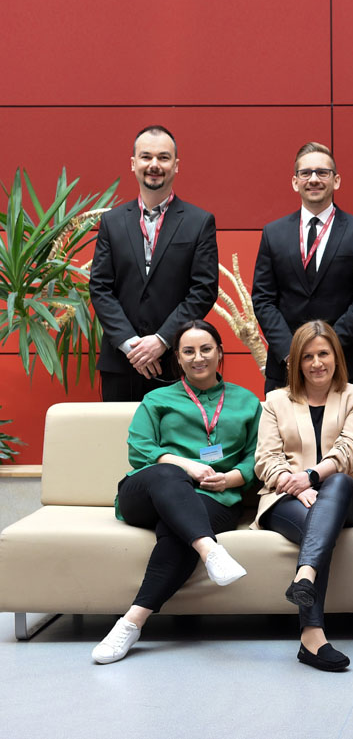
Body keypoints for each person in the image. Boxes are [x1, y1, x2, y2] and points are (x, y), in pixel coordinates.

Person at [91, 320, 261, 664]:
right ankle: (210, 549)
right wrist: (187, 466)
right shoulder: (156, 399)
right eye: (189, 351)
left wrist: (229, 480)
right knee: (170, 474)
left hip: (213, 498)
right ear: (178, 358)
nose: (198, 357)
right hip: (148, 493)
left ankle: (131, 623)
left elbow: (256, 456)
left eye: (206, 349)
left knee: (178, 531)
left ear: (220, 353)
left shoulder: (247, 401)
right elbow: (139, 448)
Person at [253, 321, 353, 671]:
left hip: (343, 495)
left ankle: (305, 574)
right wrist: (293, 483)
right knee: (314, 526)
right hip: (286, 497)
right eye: (307, 356)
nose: (317, 363)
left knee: (339, 482)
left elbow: (350, 449)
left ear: (336, 356)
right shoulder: (275, 401)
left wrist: (311, 477)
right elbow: (266, 458)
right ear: (296, 362)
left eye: (323, 354)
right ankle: (312, 635)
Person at [89, 125, 219, 402]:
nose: (154, 165)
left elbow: (203, 290)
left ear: (176, 165)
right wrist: (131, 345)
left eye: (163, 157)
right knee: (119, 431)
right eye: (146, 157)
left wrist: (161, 340)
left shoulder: (199, 222)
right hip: (121, 363)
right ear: (133, 163)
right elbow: (100, 288)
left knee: (177, 432)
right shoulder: (112, 222)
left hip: (175, 362)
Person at [252, 141, 353, 394]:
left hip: (342, 362)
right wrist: (292, 352)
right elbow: (263, 299)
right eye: (306, 173)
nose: (313, 179)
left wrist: (327, 349)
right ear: (295, 182)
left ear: (336, 180)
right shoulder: (273, 233)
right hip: (285, 365)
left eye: (322, 172)